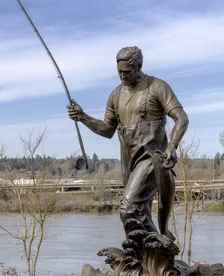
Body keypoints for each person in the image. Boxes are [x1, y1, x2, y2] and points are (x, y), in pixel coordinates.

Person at [67, 46, 189, 238]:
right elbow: (108, 130)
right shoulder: (115, 96)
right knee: (138, 212)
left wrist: (172, 145)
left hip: (152, 157)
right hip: (128, 159)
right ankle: (147, 255)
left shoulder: (157, 87)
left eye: (127, 72)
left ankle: (158, 248)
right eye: (119, 72)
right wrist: (83, 117)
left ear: (139, 66)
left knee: (128, 208)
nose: (122, 76)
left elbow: (181, 118)